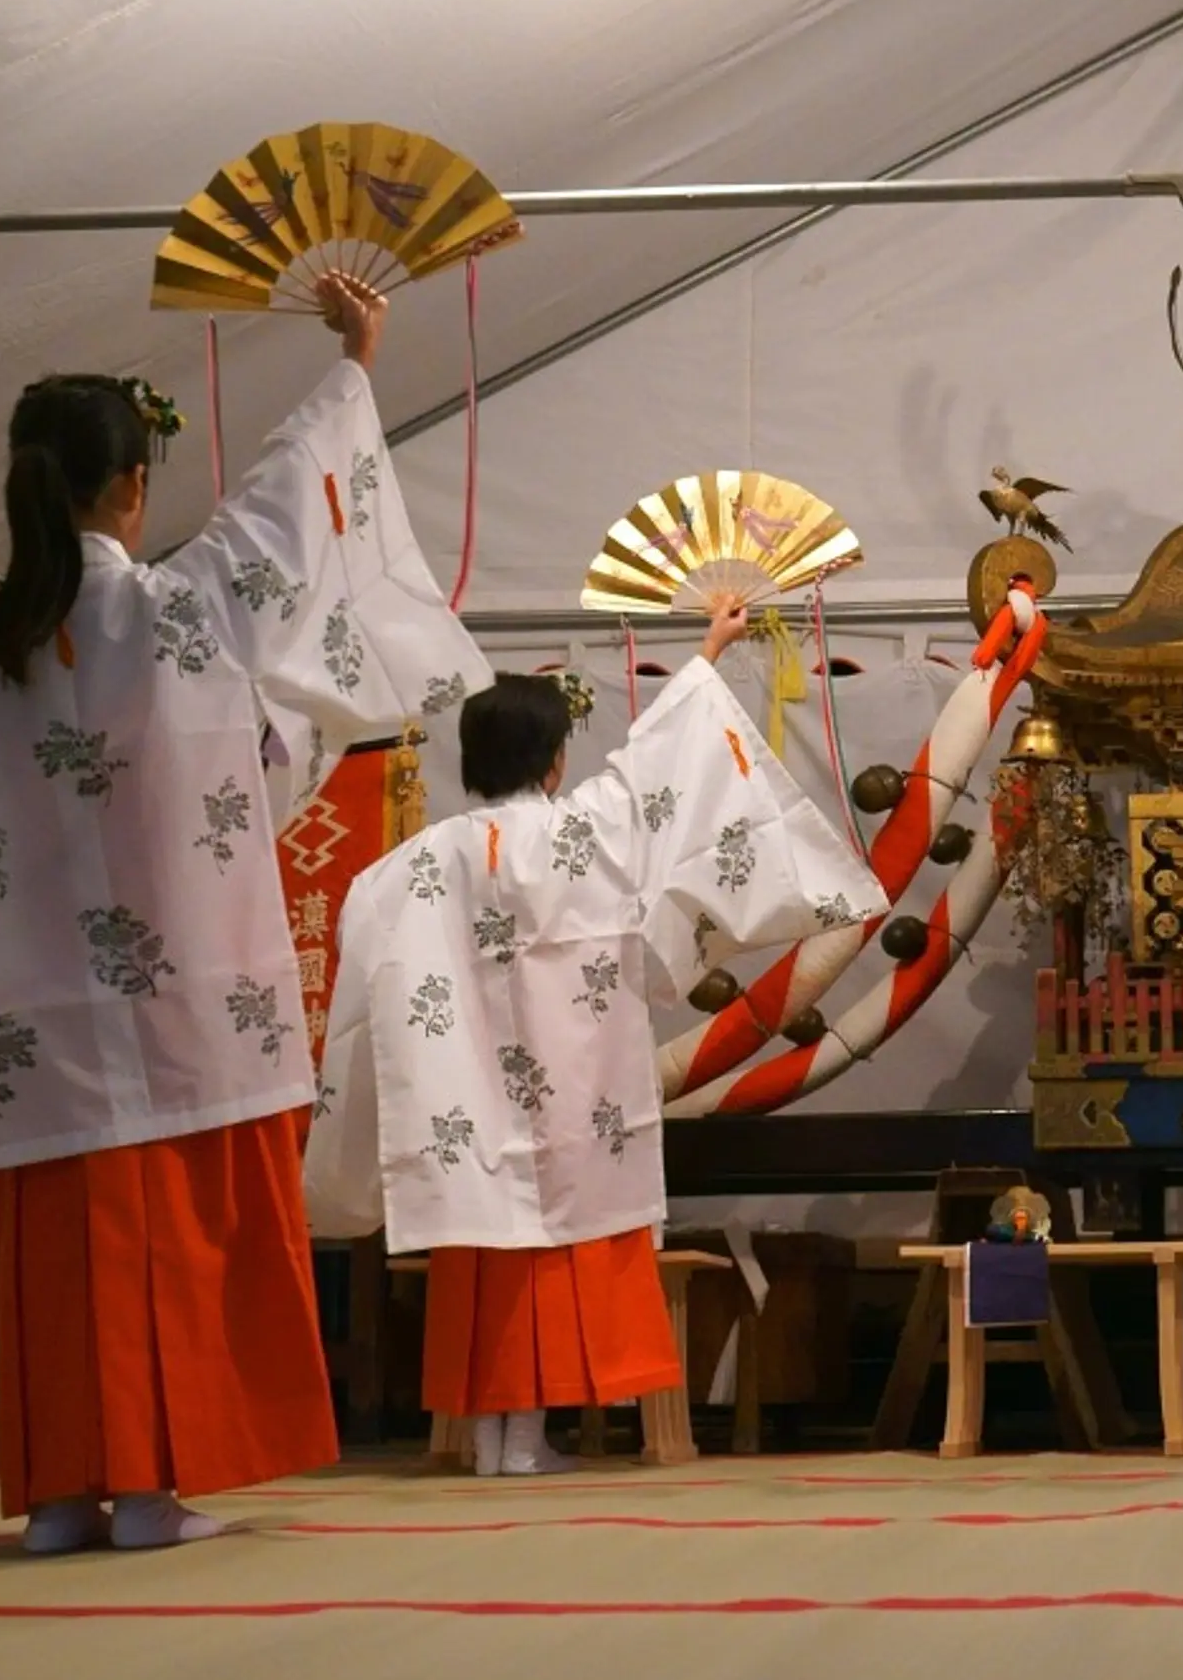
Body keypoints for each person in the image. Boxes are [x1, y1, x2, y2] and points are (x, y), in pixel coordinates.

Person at [0, 275, 487, 1552]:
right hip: (178, 990)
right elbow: (296, 512)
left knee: (62, 1249)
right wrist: (354, 359)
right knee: (172, 1239)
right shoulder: (179, 610)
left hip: (27, 1012)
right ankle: (151, 1493)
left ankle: (63, 1496)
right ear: (132, 487)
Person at [306, 600, 884, 1476]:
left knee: (484, 1245)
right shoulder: (583, 830)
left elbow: (365, 999)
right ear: (552, 759)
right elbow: (667, 766)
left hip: (464, 1099)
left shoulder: (403, 871)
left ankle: (500, 1437)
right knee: (559, 1242)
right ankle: (528, 1440)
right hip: (576, 1093)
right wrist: (708, 652)